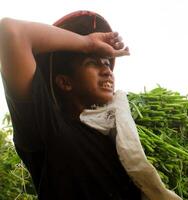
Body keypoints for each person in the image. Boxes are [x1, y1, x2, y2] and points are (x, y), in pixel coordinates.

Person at [0, 10, 142, 199]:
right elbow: (11, 31)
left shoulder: (117, 139)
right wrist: (87, 43)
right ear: (65, 82)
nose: (107, 71)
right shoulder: (48, 128)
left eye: (107, 63)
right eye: (93, 62)